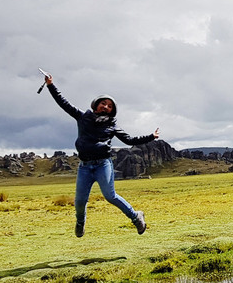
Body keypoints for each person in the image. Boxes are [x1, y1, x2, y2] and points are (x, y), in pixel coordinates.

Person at [43, 74, 159, 237]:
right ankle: (80, 222)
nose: (106, 106)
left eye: (110, 106)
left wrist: (150, 136)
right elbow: (64, 103)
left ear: (112, 111)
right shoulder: (83, 117)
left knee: (110, 196)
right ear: (96, 105)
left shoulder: (112, 126)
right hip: (84, 166)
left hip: (102, 164)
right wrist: (50, 85)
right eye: (103, 103)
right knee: (80, 201)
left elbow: (129, 140)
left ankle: (136, 216)